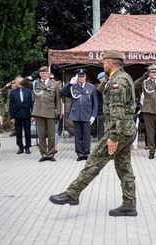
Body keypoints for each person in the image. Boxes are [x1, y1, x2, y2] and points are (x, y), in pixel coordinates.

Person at [49, 50, 138, 217]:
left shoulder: (119, 81)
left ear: (111, 63)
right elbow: (102, 89)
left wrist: (113, 137)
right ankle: (129, 204)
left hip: (119, 130)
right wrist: (106, 81)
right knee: (124, 167)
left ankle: (72, 193)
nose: (102, 65)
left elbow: (118, 110)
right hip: (126, 129)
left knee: (94, 161)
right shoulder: (120, 77)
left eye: (104, 62)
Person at [21, 66, 61, 162]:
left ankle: (51, 154)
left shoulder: (54, 84)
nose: (44, 74)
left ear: (49, 74)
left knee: (51, 135)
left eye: (46, 72)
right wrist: (30, 77)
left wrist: (59, 112)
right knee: (41, 135)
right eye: (42, 73)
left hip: (50, 111)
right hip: (39, 112)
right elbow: (23, 83)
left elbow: (58, 99)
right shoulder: (35, 83)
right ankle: (43, 154)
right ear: (39, 74)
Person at [61, 68, 98, 161]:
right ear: (77, 77)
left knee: (86, 136)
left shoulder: (91, 87)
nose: (81, 78)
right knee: (78, 136)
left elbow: (95, 103)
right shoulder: (73, 87)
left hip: (87, 115)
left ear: (85, 77)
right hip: (76, 115)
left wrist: (93, 115)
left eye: (83, 76)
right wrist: (70, 83)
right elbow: (62, 92)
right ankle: (80, 154)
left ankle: (86, 153)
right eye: (79, 77)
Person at [9, 75, 33, 154]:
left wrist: (32, 115)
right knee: (18, 132)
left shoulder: (29, 91)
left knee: (27, 132)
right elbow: (11, 105)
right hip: (17, 115)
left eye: (20, 82)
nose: (19, 83)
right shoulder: (12, 93)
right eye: (17, 82)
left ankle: (28, 147)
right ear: (15, 83)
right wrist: (12, 117)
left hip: (27, 115)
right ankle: (20, 147)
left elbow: (32, 104)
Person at [96, 71, 106, 141]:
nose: (102, 79)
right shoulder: (98, 86)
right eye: (101, 78)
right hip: (101, 111)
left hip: (110, 111)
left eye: (103, 77)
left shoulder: (110, 85)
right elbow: (99, 89)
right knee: (101, 129)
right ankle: (100, 141)